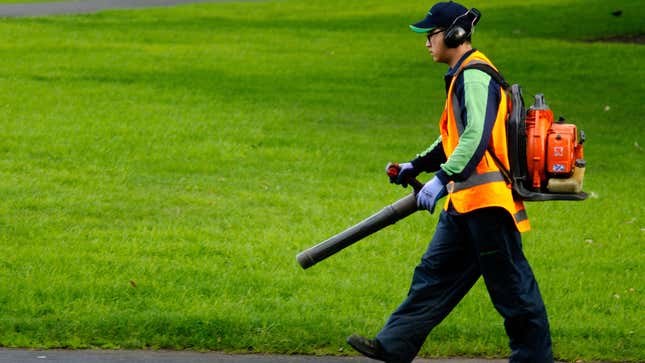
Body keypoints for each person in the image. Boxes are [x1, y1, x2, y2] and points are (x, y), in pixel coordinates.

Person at [346, 2, 554, 363]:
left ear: (454, 34)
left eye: (432, 35)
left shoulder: (476, 74)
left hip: (487, 204)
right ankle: (393, 346)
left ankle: (534, 359)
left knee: (512, 289)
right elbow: (453, 140)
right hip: (464, 203)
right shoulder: (462, 75)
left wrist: (440, 179)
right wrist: (416, 166)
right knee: (433, 276)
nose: (427, 42)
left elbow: (476, 136)